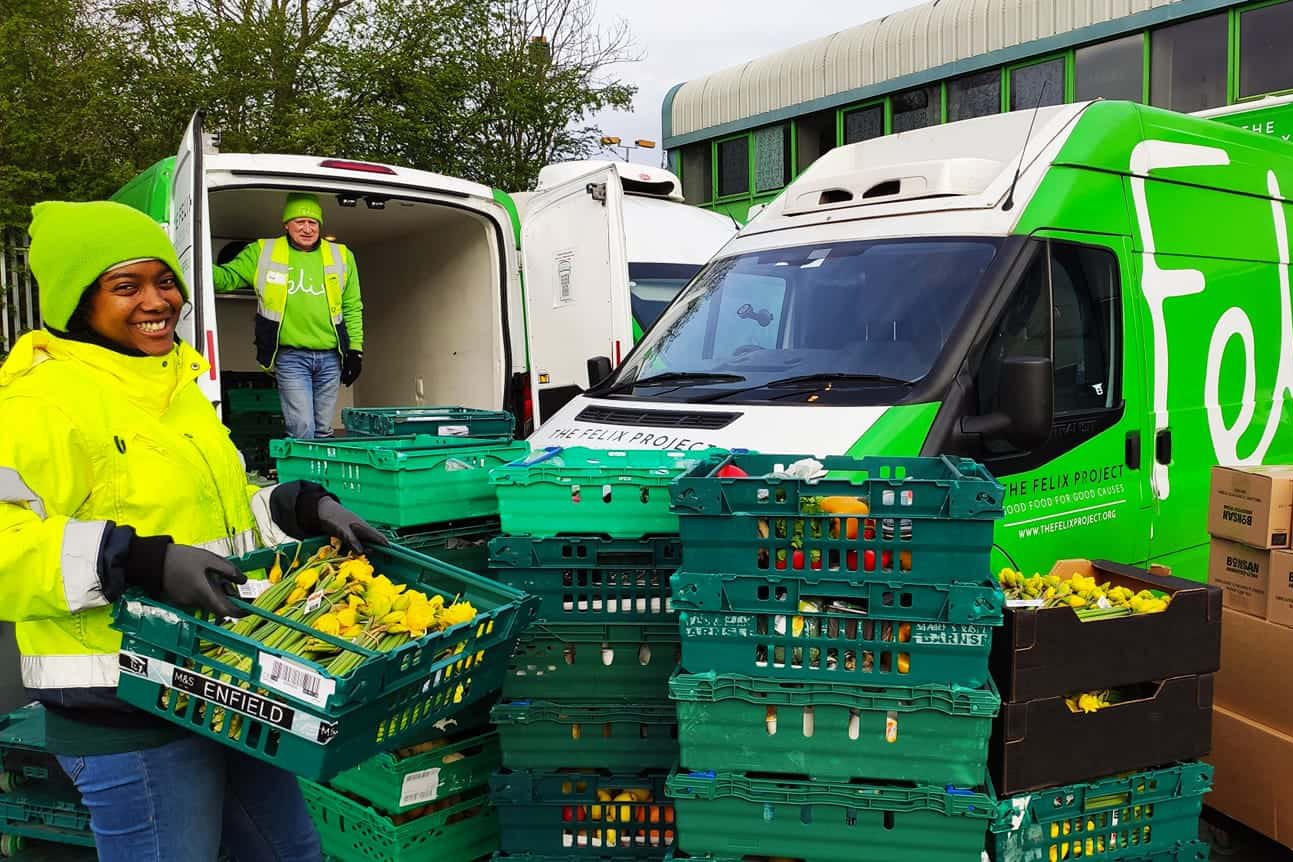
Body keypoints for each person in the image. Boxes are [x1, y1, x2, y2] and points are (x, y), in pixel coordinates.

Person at [0, 200, 388, 861]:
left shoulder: (174, 379)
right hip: (123, 706)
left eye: (165, 280)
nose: (158, 301)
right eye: (126, 286)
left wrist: (296, 506)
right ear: (76, 301)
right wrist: (134, 563)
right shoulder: (40, 400)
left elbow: (218, 508)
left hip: (222, 683)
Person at [213, 192, 364, 439]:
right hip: (291, 357)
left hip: (330, 357)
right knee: (302, 428)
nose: (307, 228)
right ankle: (302, 478)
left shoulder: (342, 255)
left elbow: (352, 306)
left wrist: (355, 351)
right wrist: (188, 260)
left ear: (320, 225)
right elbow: (226, 279)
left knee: (324, 429)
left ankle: (319, 478)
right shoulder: (263, 251)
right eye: (299, 222)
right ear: (286, 225)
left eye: (312, 222)